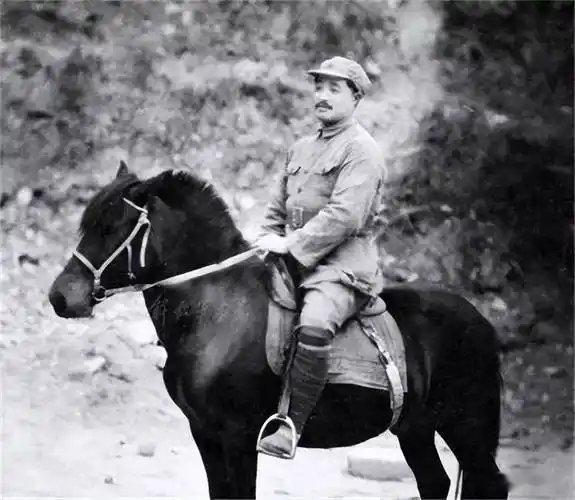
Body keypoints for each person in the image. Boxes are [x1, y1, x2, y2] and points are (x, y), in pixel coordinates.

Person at [256, 56, 386, 457]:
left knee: (313, 321)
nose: (322, 96)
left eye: (334, 88)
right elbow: (277, 207)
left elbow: (345, 216)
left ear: (356, 97)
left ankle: (290, 424)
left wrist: (292, 245)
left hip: (341, 268)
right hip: (294, 259)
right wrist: (266, 237)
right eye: (318, 87)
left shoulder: (362, 150)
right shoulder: (301, 147)